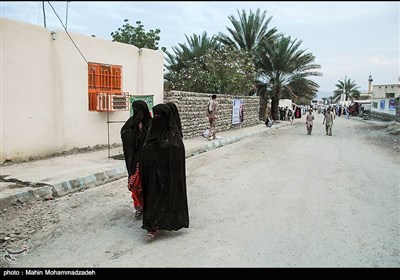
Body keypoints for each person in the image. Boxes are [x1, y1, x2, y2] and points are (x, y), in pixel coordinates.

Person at [140, 103, 189, 240]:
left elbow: (177, 161)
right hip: (153, 178)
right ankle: (152, 228)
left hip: (168, 179)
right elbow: (144, 153)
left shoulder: (174, 139)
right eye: (155, 115)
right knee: (153, 200)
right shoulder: (151, 133)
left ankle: (167, 223)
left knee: (167, 201)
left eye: (160, 116)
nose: (157, 119)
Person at [120, 100, 152, 220]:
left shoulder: (150, 124)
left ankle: (148, 207)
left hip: (147, 161)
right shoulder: (131, 123)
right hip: (134, 161)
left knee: (146, 185)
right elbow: (124, 133)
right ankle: (139, 207)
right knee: (135, 185)